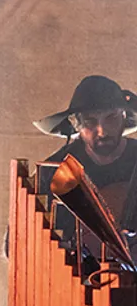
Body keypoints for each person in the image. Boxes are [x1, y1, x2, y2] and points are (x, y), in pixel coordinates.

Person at [36, 74, 137, 230]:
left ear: (125, 117)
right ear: (76, 124)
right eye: (90, 121)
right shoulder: (51, 172)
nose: (102, 131)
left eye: (111, 118)